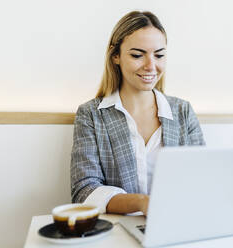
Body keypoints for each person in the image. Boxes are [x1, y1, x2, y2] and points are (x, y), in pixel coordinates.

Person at [70, 11, 205, 216]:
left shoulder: (183, 112)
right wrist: (142, 203)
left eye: (159, 55)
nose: (151, 66)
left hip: (176, 224)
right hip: (117, 233)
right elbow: (84, 191)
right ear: (116, 56)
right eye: (137, 55)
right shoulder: (91, 115)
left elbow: (202, 178)